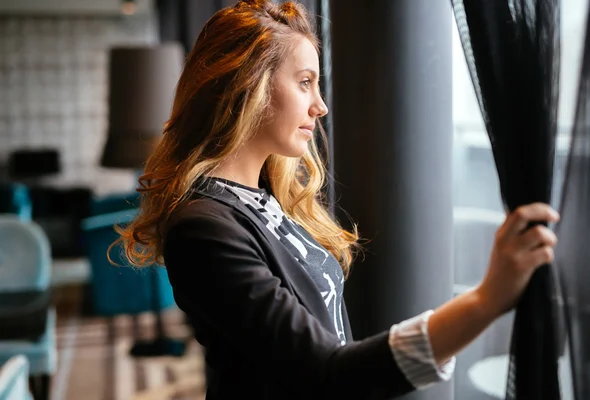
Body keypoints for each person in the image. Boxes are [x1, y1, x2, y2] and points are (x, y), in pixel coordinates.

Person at [115, 0, 560, 398]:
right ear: (247, 87)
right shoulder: (204, 228)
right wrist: (485, 301)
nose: (320, 106)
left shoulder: (264, 200)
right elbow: (324, 371)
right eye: (305, 82)